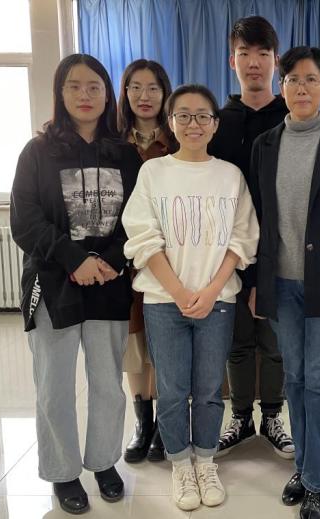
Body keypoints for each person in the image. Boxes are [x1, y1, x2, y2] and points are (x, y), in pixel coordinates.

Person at [10, 53, 141, 515]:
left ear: (107, 95)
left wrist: (107, 260)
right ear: (60, 93)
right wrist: (74, 259)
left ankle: (104, 462)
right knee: (55, 386)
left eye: (94, 87)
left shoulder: (125, 154)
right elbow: (25, 221)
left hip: (108, 281)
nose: (85, 95)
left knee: (107, 383)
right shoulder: (37, 152)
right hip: (54, 283)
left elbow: (138, 218)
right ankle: (63, 471)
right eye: (74, 86)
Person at [122, 84, 259, 511]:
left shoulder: (230, 175)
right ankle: (180, 465)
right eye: (184, 115)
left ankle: (205, 461)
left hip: (218, 301)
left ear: (215, 125)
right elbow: (143, 236)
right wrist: (180, 292)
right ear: (171, 122)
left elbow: (243, 238)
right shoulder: (154, 172)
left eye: (202, 116)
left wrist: (212, 289)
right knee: (172, 388)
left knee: (209, 389)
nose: (193, 123)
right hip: (165, 301)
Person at [248, 46, 320, 519]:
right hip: (280, 284)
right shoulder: (265, 144)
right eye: (292, 79)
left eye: (310, 79)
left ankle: (316, 480)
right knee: (293, 378)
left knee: (319, 380)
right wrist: (257, 283)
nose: (301, 87)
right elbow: (258, 220)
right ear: (282, 87)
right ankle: (302, 464)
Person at [208, 15, 294, 459]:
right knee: (237, 340)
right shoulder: (217, 122)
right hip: (226, 251)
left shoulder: (292, 118)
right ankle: (240, 416)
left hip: (282, 250)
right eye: (245, 53)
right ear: (232, 61)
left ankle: (273, 415)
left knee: (274, 341)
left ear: (276, 61)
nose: (254, 62)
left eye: (263, 53)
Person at [117, 58, 178, 463]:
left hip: (168, 261)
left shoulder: (176, 140)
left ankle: (164, 423)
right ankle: (143, 422)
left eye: (153, 87)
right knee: (134, 342)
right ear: (124, 93)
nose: (144, 96)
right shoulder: (112, 144)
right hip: (123, 261)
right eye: (135, 87)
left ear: (164, 93)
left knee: (163, 341)